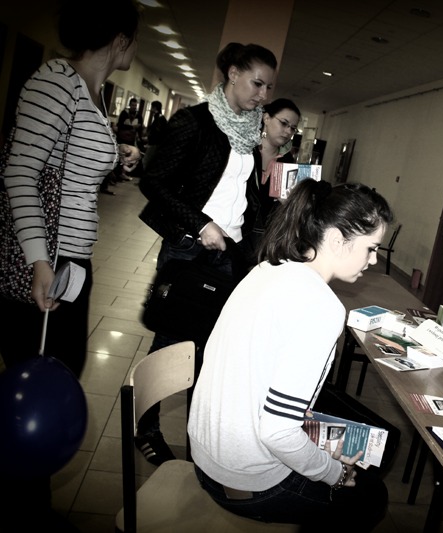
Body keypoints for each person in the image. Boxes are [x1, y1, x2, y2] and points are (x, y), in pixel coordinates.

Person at [0, 0, 141, 529]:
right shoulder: (56, 81)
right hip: (43, 265)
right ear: (120, 39)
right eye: (135, 39)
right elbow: (19, 173)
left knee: (61, 371)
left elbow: (71, 166)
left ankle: (30, 500)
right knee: (36, 387)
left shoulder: (90, 91)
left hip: (71, 261)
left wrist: (115, 155)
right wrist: (40, 262)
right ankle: (24, 505)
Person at [187, 180, 392, 530]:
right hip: (244, 481)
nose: (374, 260)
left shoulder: (268, 268)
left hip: (205, 456)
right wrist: (335, 473)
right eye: (371, 248)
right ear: (337, 240)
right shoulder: (322, 307)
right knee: (371, 497)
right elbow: (278, 433)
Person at [136, 42, 277, 465]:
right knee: (170, 342)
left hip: (228, 254)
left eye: (269, 87)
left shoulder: (249, 132)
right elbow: (153, 182)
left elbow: (246, 197)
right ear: (233, 74)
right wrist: (200, 224)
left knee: (211, 347)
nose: (263, 95)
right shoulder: (194, 122)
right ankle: (146, 427)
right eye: (257, 84)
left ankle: (199, 433)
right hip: (188, 247)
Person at [242, 97, 301, 265]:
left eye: (293, 128)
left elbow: (288, 204)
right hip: (233, 228)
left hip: (263, 236)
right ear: (266, 118)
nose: (288, 131)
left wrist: (289, 201)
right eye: (284, 123)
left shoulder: (288, 161)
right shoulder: (245, 149)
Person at [141, 100, 167, 170]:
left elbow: (157, 133)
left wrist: (149, 139)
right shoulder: (160, 118)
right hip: (156, 144)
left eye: (152, 107)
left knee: (146, 161)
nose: (151, 109)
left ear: (155, 108)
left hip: (154, 144)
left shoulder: (159, 119)